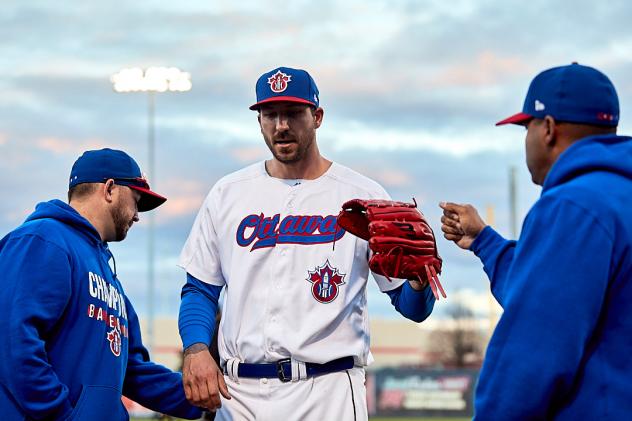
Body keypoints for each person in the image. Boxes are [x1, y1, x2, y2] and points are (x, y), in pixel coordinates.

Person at [178, 66, 436, 420]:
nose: (280, 125)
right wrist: (195, 350)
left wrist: (420, 282)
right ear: (259, 122)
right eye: (270, 114)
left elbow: (411, 307)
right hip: (241, 395)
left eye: (293, 114)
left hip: (328, 391)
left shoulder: (363, 196)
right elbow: (199, 290)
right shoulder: (228, 193)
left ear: (317, 117)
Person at [440, 63, 632, 419]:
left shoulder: (574, 205)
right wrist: (484, 241)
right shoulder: (618, 196)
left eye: (525, 127)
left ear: (548, 129)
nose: (526, 139)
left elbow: (533, 350)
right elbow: (557, 295)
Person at [0, 148, 203, 420]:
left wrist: (203, 395)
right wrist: (62, 415)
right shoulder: (43, 240)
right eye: (136, 200)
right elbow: (12, 342)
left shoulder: (109, 276)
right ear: (109, 190)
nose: (137, 215)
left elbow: (132, 370)